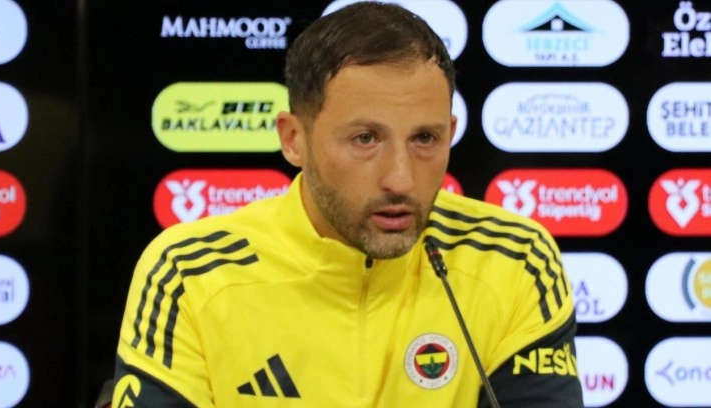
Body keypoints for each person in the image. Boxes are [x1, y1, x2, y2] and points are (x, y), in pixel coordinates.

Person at [111, 2, 583, 406]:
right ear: (294, 139)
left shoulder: (514, 259)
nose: (400, 179)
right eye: (365, 139)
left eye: (424, 138)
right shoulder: (189, 273)